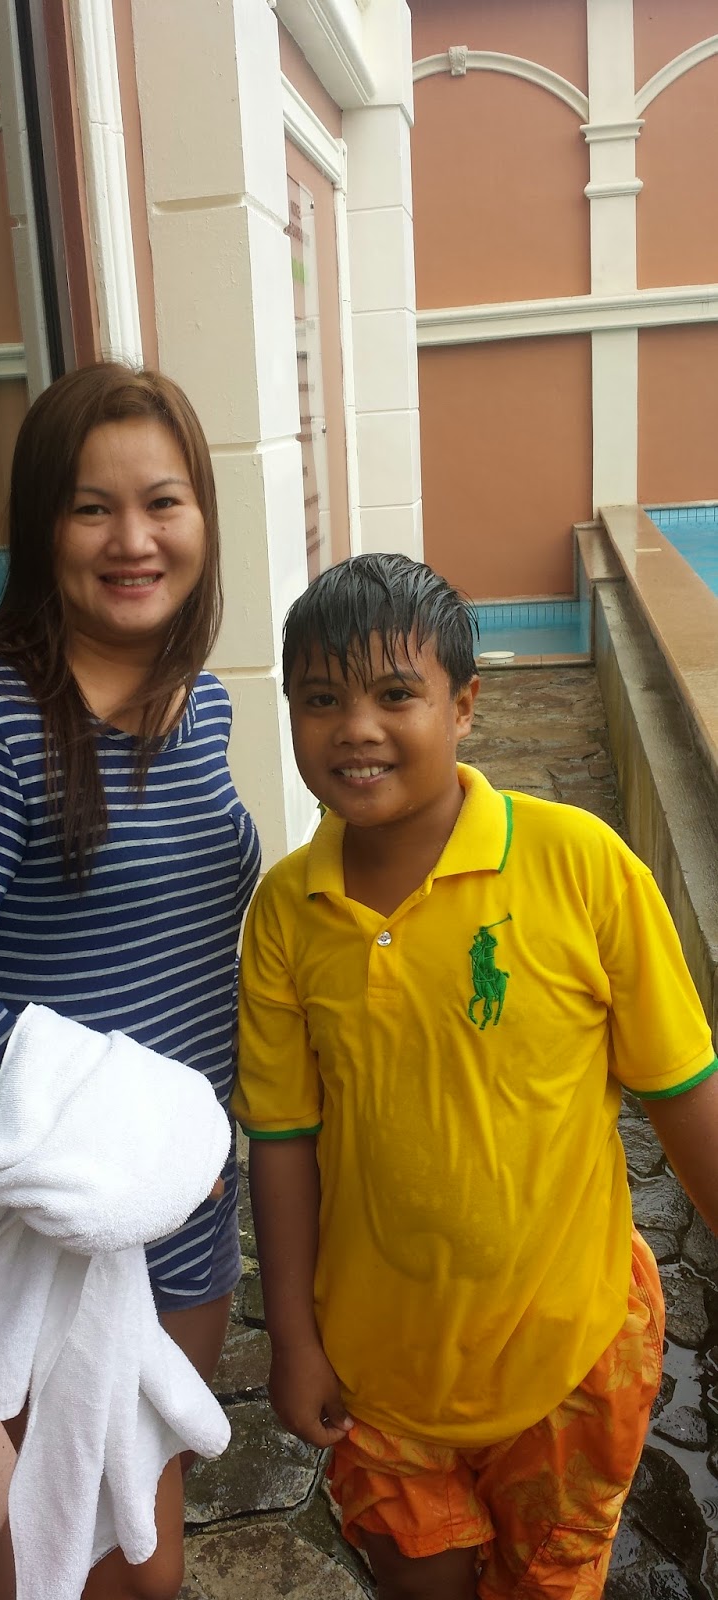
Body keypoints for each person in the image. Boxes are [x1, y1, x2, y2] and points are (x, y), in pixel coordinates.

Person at [232, 553, 717, 1600]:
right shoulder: (286, 913)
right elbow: (282, 1139)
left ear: (463, 705)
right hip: (380, 1369)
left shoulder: (581, 865)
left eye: (393, 693)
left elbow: (682, 1088)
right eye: (321, 699)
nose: (356, 727)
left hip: (570, 1354)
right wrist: (294, 1339)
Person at [0, 362, 260, 1600]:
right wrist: (143, 1138)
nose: (134, 539)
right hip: (63, 1219)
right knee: (128, 1561)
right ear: (43, 527)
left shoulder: (202, 707)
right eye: (92, 508)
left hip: (188, 1199)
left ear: (202, 517)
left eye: (163, 501)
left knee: (144, 1510)